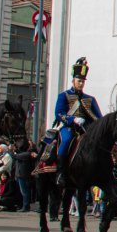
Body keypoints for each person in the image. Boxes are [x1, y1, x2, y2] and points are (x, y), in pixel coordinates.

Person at [47, 57, 101, 189]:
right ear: (73, 81)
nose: (81, 84)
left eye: (83, 81)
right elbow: (59, 113)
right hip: (70, 127)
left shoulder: (90, 99)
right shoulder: (64, 96)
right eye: (79, 81)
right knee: (66, 140)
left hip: (86, 129)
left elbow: (99, 117)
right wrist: (73, 119)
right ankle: (60, 171)